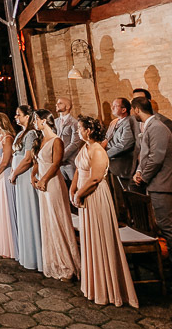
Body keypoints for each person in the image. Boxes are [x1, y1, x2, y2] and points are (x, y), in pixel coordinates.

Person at [72, 116, 137, 308]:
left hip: (95, 196)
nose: (77, 131)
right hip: (83, 194)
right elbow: (78, 169)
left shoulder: (98, 151)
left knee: (100, 237)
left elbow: (94, 179)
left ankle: (107, 287)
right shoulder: (84, 148)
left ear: (88, 131)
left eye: (79, 128)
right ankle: (94, 284)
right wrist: (72, 189)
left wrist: (79, 195)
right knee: (90, 238)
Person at [31, 110, 79, 282]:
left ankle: (67, 264)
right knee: (47, 220)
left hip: (53, 183)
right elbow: (37, 161)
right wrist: (33, 176)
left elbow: (57, 163)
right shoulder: (41, 139)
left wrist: (44, 179)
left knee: (57, 219)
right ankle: (53, 261)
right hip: (42, 181)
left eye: (36, 119)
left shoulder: (56, 140)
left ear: (44, 121)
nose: (34, 122)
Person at [130, 96, 172, 267]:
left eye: (133, 110)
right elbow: (145, 155)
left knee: (167, 227)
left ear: (137, 109)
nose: (133, 113)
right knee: (161, 226)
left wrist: (144, 177)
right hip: (154, 183)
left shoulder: (157, 127)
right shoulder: (149, 126)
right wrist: (139, 171)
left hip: (161, 184)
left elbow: (156, 158)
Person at [10, 105, 43, 272]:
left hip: (24, 174)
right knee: (22, 211)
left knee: (29, 210)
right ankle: (26, 254)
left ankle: (35, 255)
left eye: (19, 115)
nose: (16, 117)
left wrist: (14, 173)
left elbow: (28, 158)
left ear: (28, 117)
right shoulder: (21, 133)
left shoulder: (31, 134)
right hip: (19, 176)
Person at [0, 112, 17, 259]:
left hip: (5, 173)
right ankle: (3, 243)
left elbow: (6, 160)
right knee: (0, 207)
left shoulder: (8, 139)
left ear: (1, 123)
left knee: (7, 206)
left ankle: (11, 245)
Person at [102, 97, 136, 180]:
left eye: (115, 106)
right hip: (111, 164)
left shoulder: (129, 122)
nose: (112, 108)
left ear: (124, 110)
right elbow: (107, 138)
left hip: (122, 165)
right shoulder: (114, 122)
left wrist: (105, 155)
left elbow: (124, 145)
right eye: (112, 105)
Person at [56, 96, 83, 183]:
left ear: (67, 107)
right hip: (58, 163)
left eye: (60, 103)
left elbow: (75, 143)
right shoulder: (55, 122)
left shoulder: (74, 123)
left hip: (70, 162)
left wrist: (61, 157)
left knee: (73, 185)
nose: (57, 104)